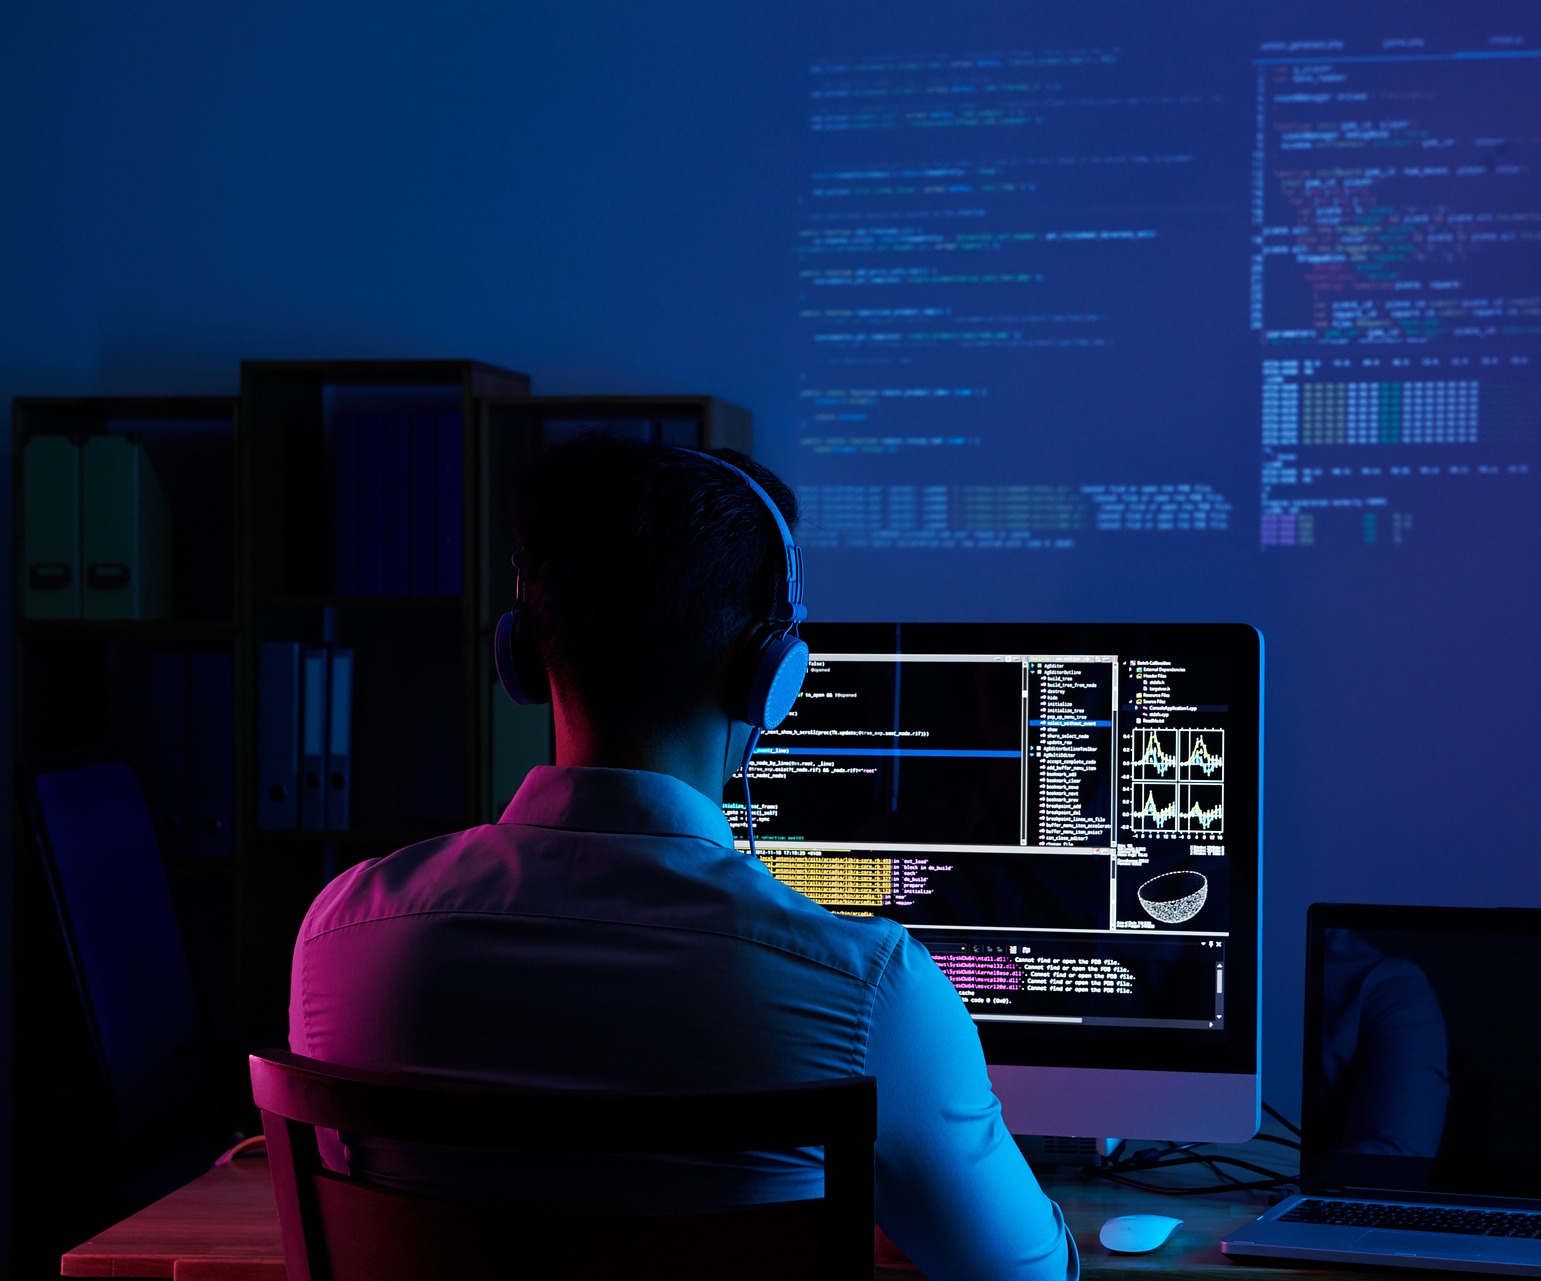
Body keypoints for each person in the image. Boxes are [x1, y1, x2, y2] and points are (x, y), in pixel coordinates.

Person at [289, 436, 1077, 1280]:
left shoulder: (345, 935)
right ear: (770, 673)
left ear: (523, 649)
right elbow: (1021, 1275)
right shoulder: (874, 994)